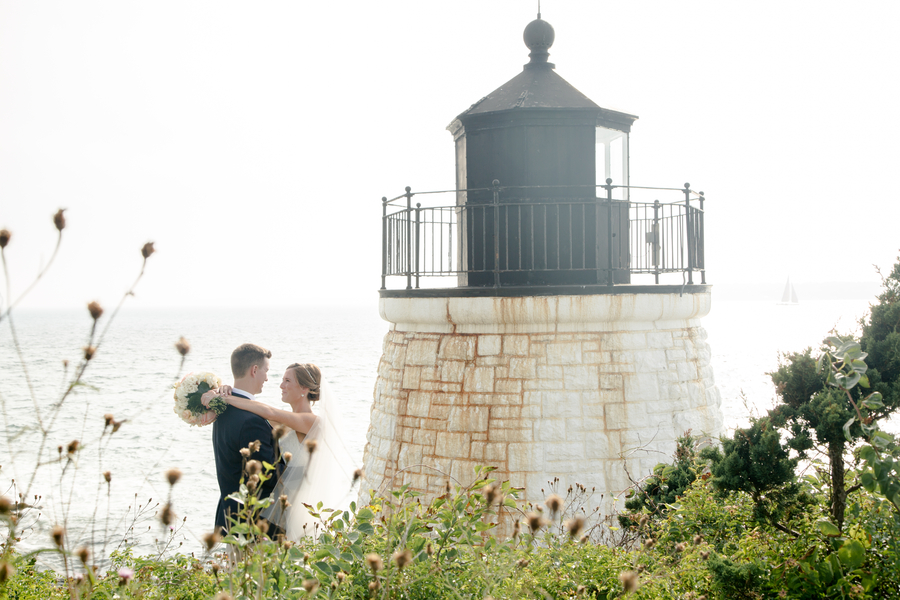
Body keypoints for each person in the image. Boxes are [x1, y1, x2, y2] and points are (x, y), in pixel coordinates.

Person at [204, 362, 358, 540]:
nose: (281, 385)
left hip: (296, 505)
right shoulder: (287, 421)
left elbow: (267, 411)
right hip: (279, 504)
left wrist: (227, 399)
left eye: (287, 380)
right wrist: (226, 391)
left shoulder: (313, 422)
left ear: (304, 388)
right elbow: (257, 414)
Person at [211, 343, 280, 536]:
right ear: (254, 369)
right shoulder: (251, 421)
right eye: (266, 371)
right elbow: (269, 476)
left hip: (227, 518)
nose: (267, 377)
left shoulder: (222, 410)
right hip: (250, 523)